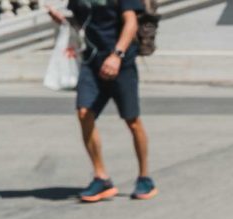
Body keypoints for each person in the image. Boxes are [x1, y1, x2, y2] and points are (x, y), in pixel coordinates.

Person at [46, 0, 153, 201]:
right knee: (84, 113)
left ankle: (144, 177)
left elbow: (131, 22)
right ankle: (101, 177)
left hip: (121, 63)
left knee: (132, 121)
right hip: (92, 62)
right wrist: (62, 20)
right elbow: (80, 23)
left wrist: (117, 55)